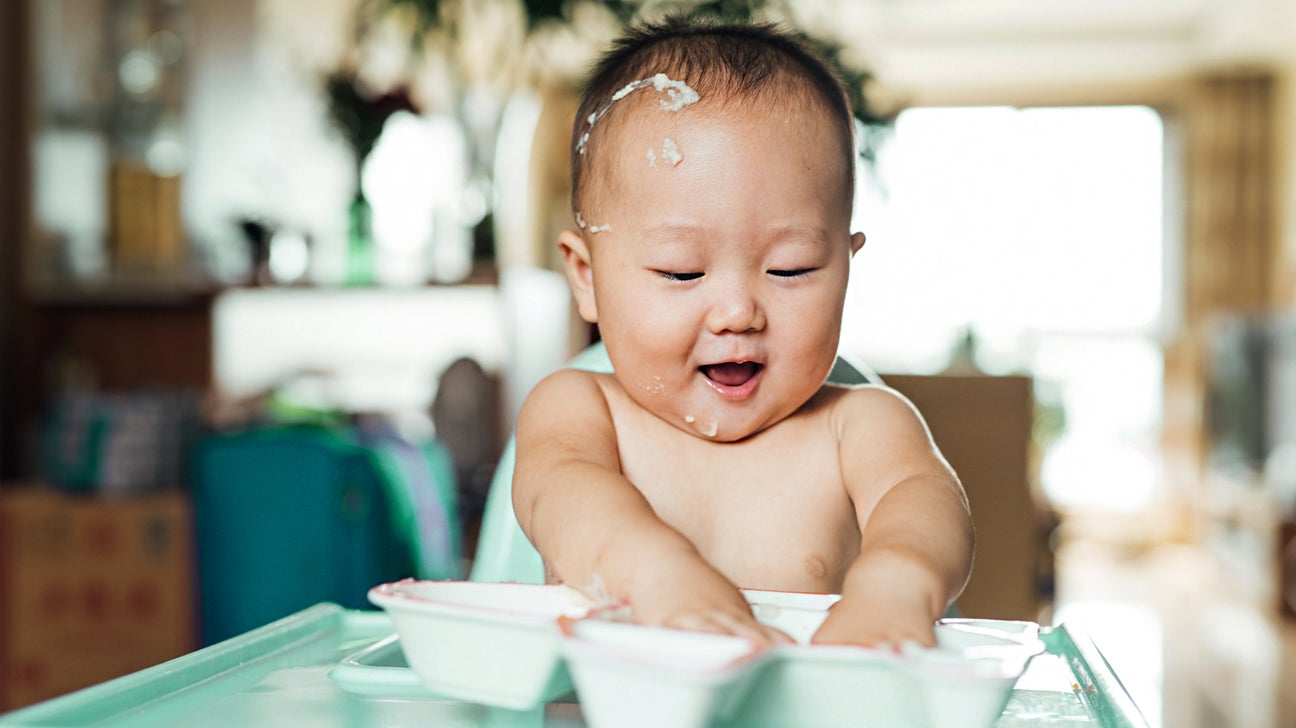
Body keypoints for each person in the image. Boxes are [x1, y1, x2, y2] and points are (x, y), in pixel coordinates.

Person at [512, 15, 973, 649]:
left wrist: (896, 585)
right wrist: (654, 575)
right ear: (587, 278)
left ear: (845, 267)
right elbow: (562, 496)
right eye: (681, 271)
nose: (737, 313)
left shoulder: (859, 427)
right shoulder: (579, 410)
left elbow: (925, 502)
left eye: (791, 269)